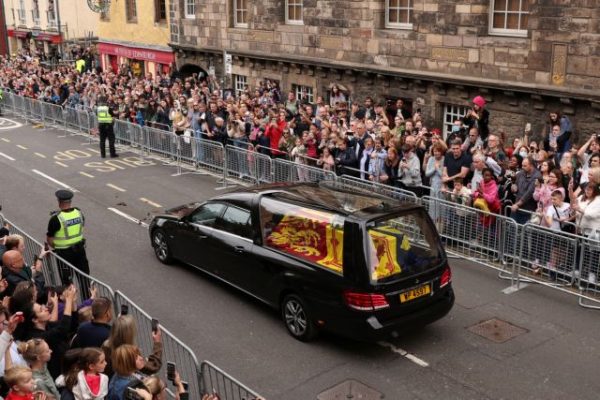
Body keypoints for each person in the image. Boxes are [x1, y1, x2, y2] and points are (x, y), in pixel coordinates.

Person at [47, 190, 90, 294]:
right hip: (80, 251)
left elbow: (50, 239)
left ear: (59, 201)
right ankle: (87, 305)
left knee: (67, 283)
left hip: (64, 255)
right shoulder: (79, 213)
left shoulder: (56, 219)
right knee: (84, 280)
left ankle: (70, 306)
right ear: (70, 201)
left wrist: (57, 245)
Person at [510, 156, 542, 224]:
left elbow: (529, 193)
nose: (522, 167)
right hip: (516, 208)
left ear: (531, 165)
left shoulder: (537, 176)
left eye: (525, 166)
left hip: (527, 210)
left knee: (523, 232)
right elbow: (515, 185)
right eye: (522, 165)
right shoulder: (521, 173)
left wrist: (517, 205)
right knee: (511, 230)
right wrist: (513, 187)